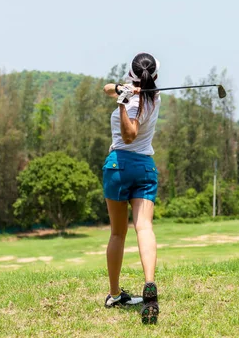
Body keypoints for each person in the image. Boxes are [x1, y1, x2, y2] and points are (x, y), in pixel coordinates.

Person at [101, 52, 161, 325]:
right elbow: (106, 88)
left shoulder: (134, 101)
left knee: (117, 233)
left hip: (119, 167)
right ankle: (149, 282)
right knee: (144, 227)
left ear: (131, 73)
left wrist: (124, 103)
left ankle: (114, 293)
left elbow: (129, 134)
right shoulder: (153, 96)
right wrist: (119, 90)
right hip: (145, 167)